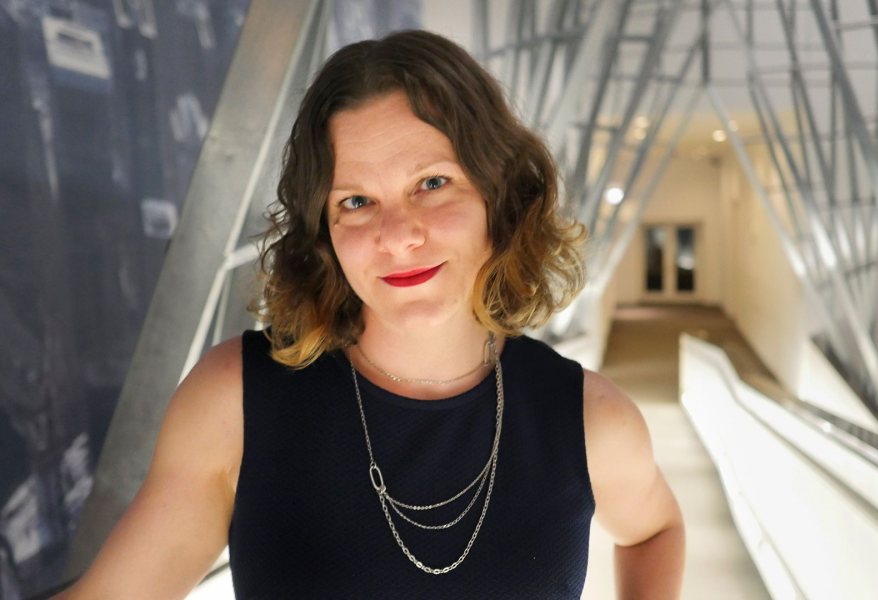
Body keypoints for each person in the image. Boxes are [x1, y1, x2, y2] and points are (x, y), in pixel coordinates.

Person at [55, 29, 684, 599]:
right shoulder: (236, 403)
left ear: (500, 195)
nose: (397, 235)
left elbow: (656, 530)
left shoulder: (585, 418)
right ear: (325, 231)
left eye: (431, 184)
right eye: (356, 200)